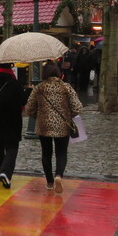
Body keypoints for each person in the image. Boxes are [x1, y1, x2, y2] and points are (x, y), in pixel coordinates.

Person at [25, 62, 83, 193]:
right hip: (62, 126)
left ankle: (50, 182)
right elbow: (77, 107)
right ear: (58, 73)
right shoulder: (66, 87)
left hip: (43, 125)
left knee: (46, 153)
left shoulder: (39, 88)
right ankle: (58, 175)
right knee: (61, 153)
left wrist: (37, 115)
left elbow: (29, 108)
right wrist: (69, 114)